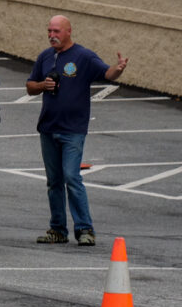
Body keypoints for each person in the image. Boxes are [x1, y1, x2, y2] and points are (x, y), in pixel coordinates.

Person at [25, 15, 128, 247]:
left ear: (69, 31)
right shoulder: (45, 56)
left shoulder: (83, 56)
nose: (52, 35)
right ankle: (58, 229)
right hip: (48, 128)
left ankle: (85, 229)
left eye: (57, 31)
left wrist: (118, 69)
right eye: (49, 30)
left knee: (72, 177)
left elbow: (107, 74)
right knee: (54, 181)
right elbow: (30, 86)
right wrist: (42, 85)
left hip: (73, 130)